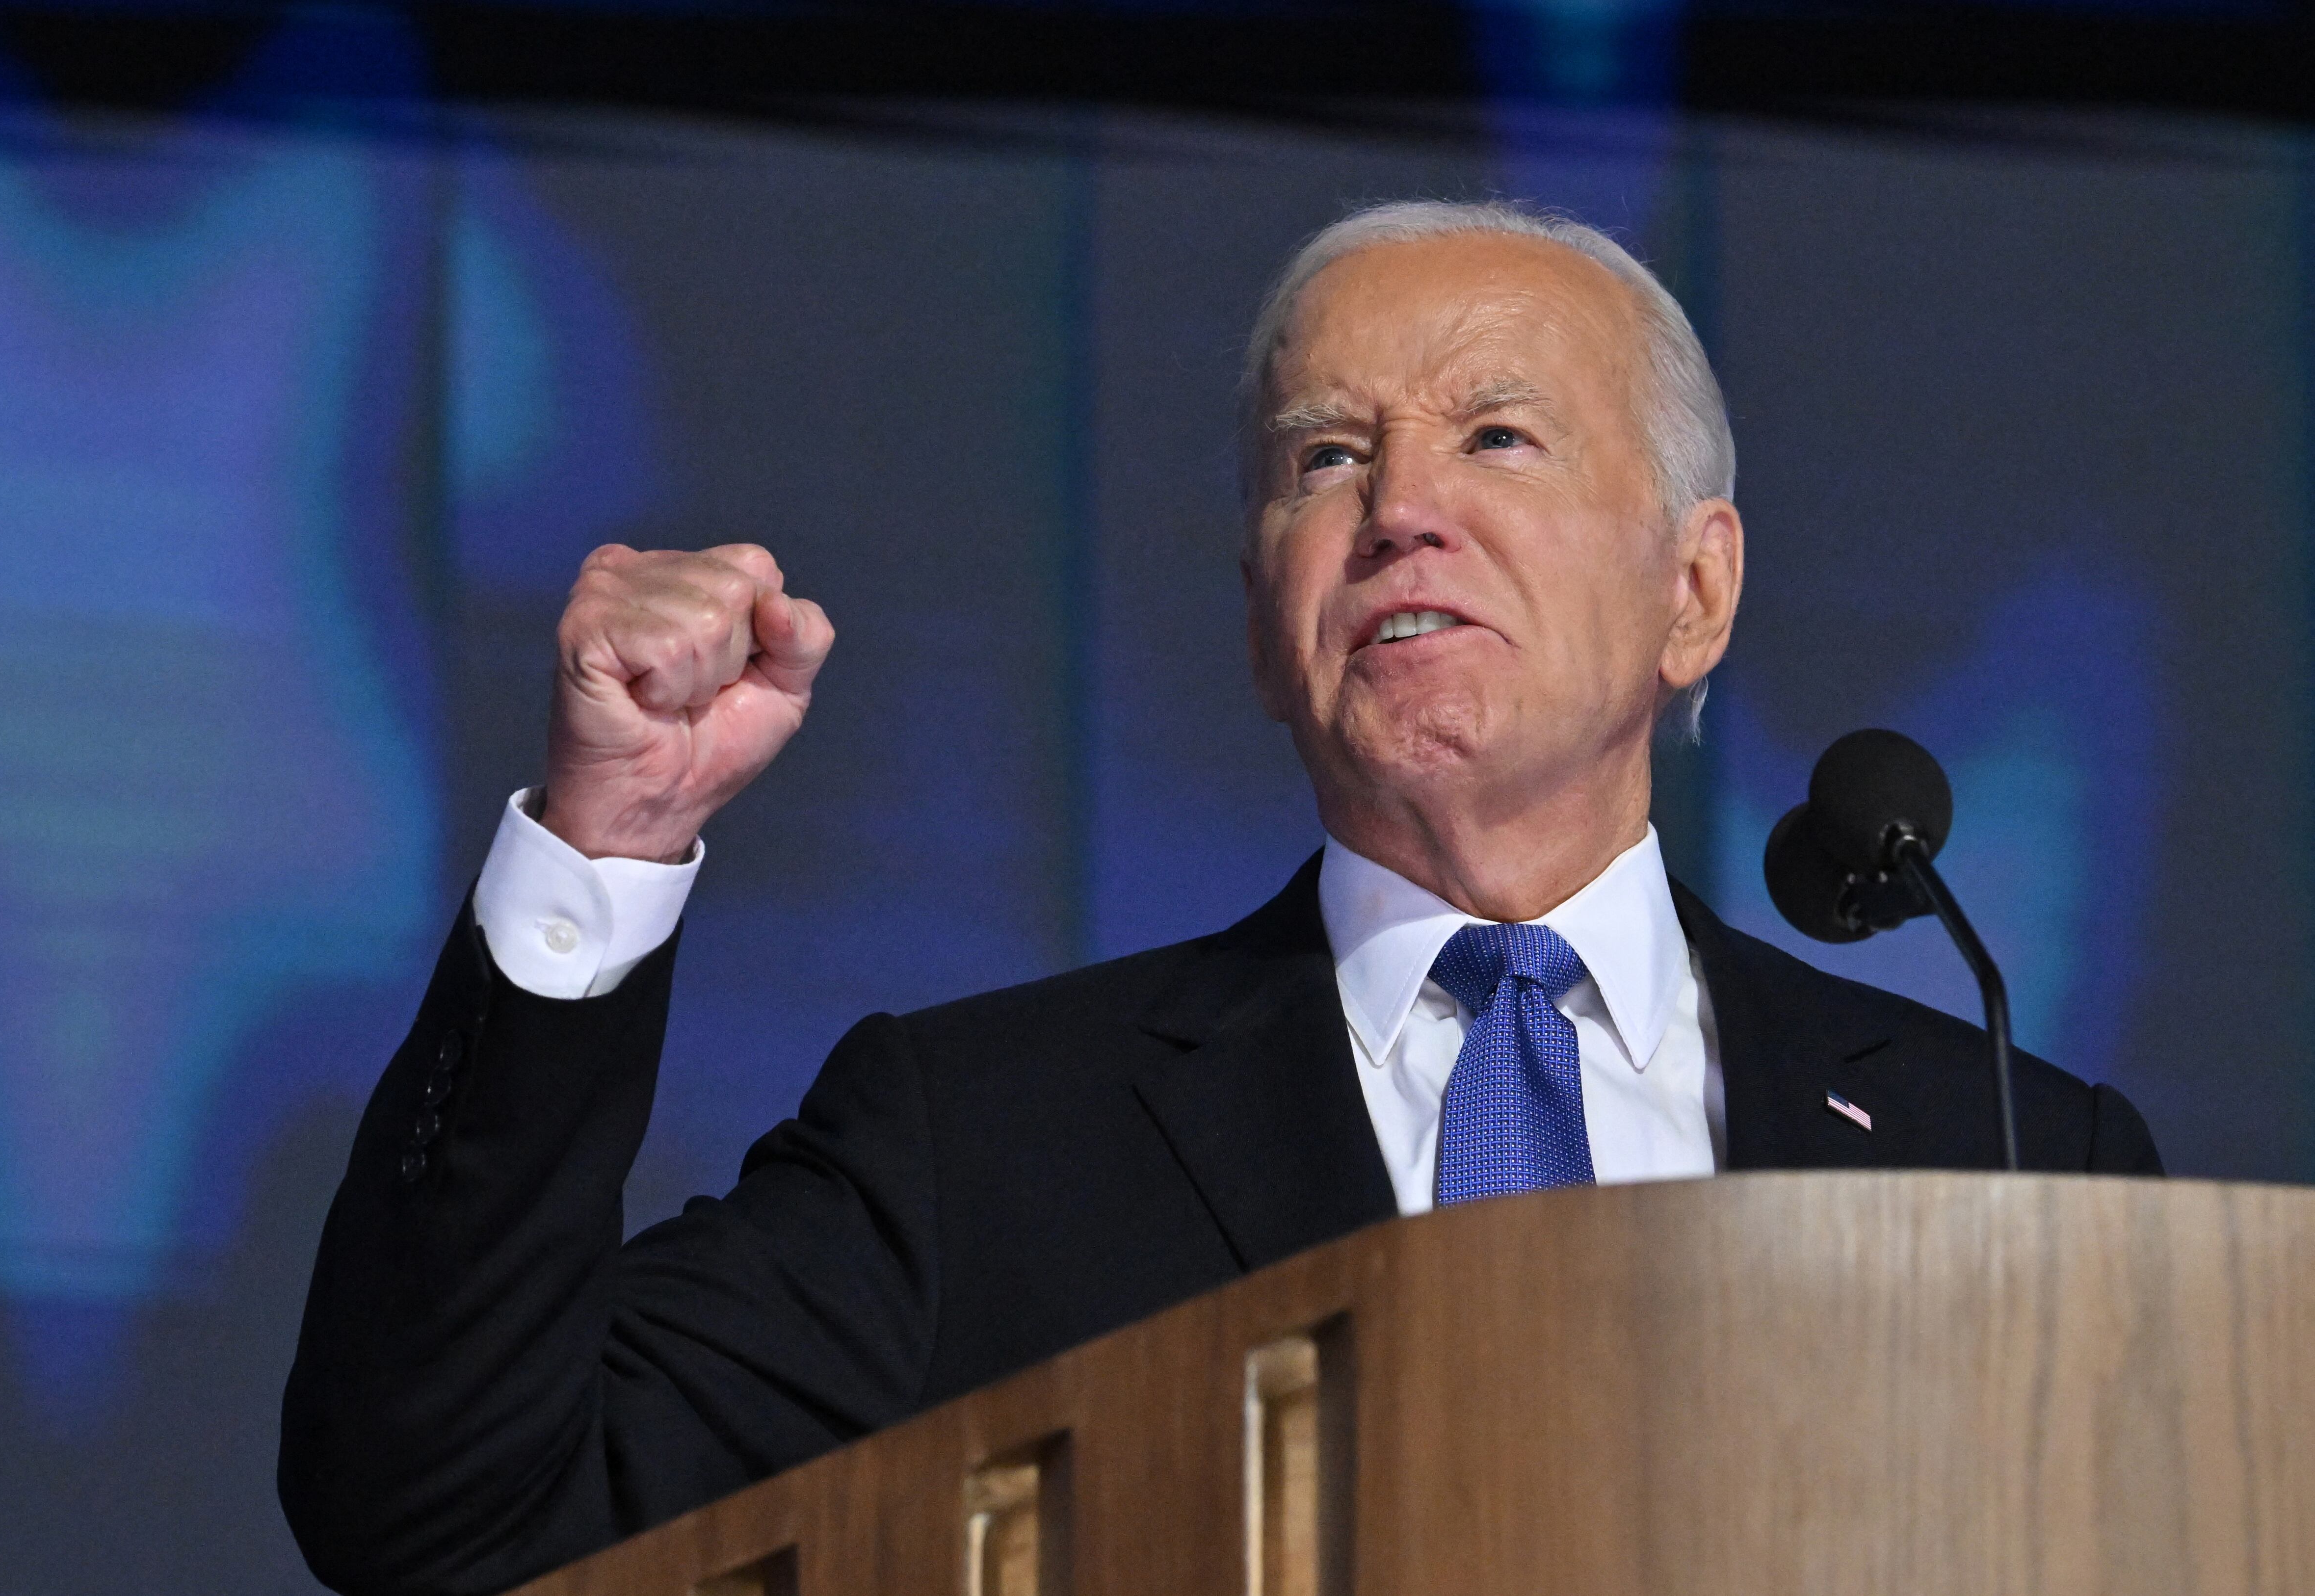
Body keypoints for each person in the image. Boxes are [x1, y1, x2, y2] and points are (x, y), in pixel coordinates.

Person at [279, 200, 2160, 1596]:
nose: (1400, 507)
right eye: (1326, 457)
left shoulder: (2011, 1157)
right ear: (1268, 622)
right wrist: (597, 856)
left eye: (1495, 436)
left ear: (1698, 591)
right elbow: (443, 1515)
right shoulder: (986, 1148)